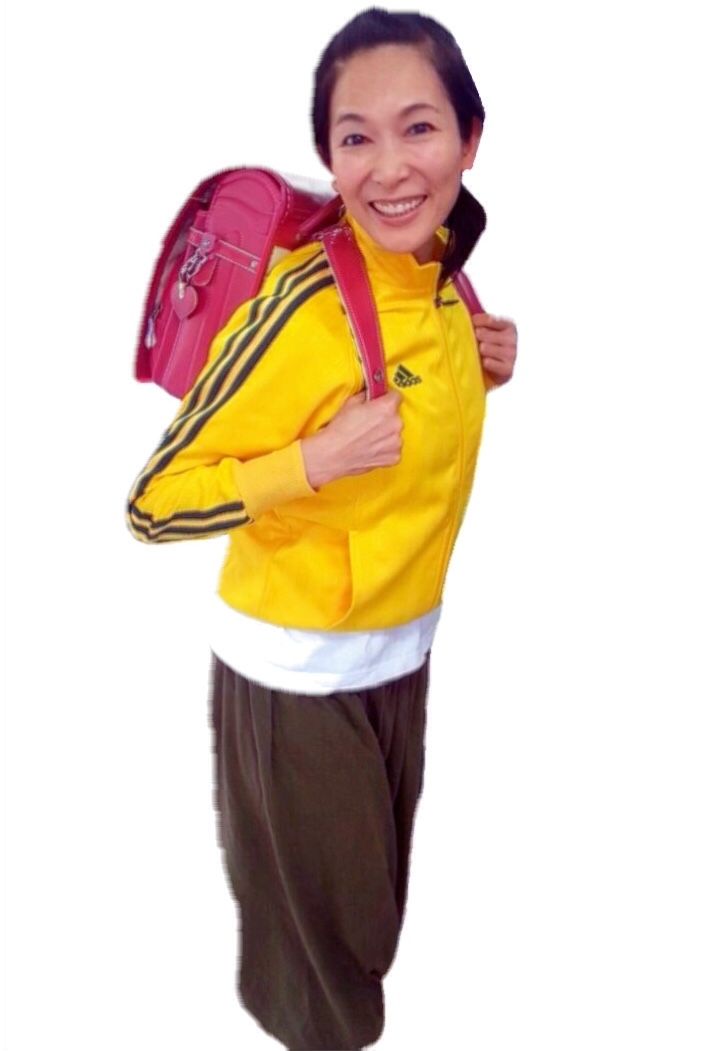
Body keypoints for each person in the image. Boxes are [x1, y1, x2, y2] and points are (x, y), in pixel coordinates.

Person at [126, 7, 517, 1050]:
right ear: (328, 158)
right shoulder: (302, 312)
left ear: (470, 138)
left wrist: (489, 362)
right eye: (355, 137)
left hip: (401, 651)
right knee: (324, 962)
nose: (390, 167)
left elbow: (418, 415)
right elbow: (154, 499)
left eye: (419, 127)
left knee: (363, 925)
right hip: (297, 675)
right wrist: (313, 460)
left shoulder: (443, 280)